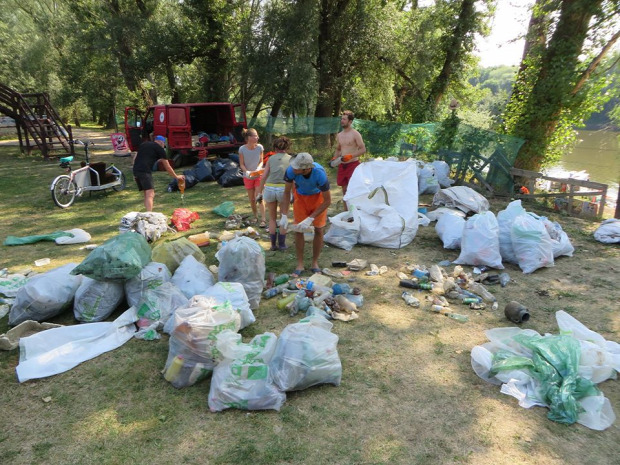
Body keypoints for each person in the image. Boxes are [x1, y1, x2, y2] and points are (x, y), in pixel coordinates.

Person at [280, 153, 332, 277]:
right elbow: (287, 193)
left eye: (297, 167)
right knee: (298, 230)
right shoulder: (291, 171)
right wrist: (284, 215)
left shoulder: (320, 174)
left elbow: (328, 201)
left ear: (306, 169)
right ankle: (300, 263)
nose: (293, 168)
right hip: (300, 197)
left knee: (319, 230)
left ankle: (315, 263)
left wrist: (310, 218)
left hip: (318, 198)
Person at [257, 136, 293, 251]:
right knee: (284, 216)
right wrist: (294, 194)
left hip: (270, 189)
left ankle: (273, 245)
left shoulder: (271, 159)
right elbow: (294, 178)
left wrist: (259, 192)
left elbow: (263, 177)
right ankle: (282, 244)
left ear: (275, 147)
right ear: (287, 147)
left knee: (272, 218)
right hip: (284, 190)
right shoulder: (291, 159)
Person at [133, 135, 184, 212]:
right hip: (145, 171)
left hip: (136, 170)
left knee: (146, 193)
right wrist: (176, 177)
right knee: (150, 193)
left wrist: (135, 172)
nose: (164, 146)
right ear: (161, 142)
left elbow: (135, 158)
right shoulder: (160, 149)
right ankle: (149, 215)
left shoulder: (144, 144)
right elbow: (167, 167)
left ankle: (148, 212)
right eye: (164, 144)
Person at [332, 110, 366, 209]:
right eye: (341, 119)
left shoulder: (355, 134)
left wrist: (351, 156)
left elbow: (363, 149)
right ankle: (346, 212)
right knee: (344, 189)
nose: (342, 121)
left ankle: (356, 211)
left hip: (353, 164)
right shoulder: (339, 135)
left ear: (350, 121)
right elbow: (338, 149)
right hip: (342, 165)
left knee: (353, 189)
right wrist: (334, 158)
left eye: (344, 119)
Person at [238, 128, 266, 227]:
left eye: (257, 136)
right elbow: (241, 164)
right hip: (248, 176)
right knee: (252, 199)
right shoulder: (242, 149)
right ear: (249, 137)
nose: (257, 137)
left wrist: (258, 169)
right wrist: (247, 172)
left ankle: (263, 219)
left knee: (259, 197)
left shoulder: (259, 147)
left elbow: (261, 161)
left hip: (258, 175)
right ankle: (255, 216)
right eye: (255, 136)